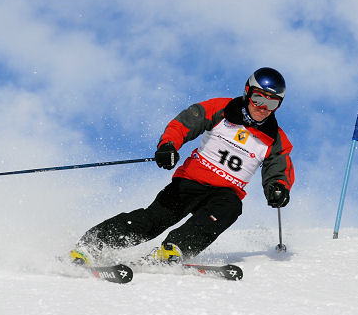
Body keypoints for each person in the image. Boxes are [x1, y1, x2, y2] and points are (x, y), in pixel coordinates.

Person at [70, 67, 294, 265]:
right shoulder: (221, 109)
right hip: (191, 181)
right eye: (258, 99)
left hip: (226, 192)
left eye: (271, 103)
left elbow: (279, 168)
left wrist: (278, 187)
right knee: (154, 221)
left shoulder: (274, 138)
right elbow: (186, 122)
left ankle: (174, 249)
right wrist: (168, 145)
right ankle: (92, 245)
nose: (263, 107)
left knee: (231, 207)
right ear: (248, 92)